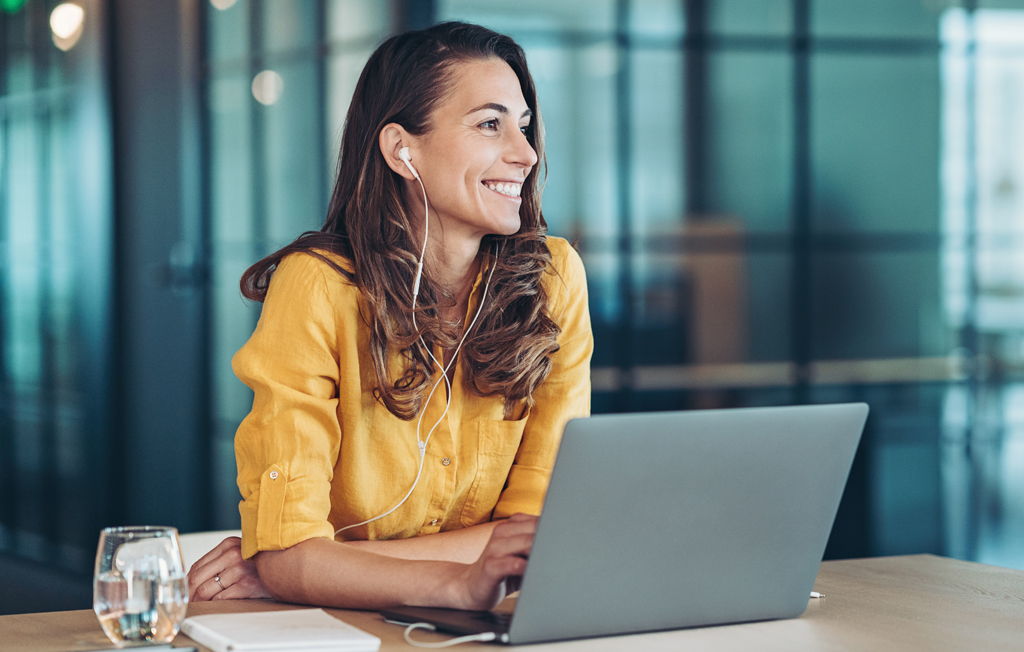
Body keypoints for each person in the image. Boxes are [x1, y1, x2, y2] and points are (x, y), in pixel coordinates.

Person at [187, 21, 592, 611]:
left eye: (524, 127)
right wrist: (454, 576)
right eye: (489, 124)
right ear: (403, 149)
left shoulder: (554, 280)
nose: (525, 154)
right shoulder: (319, 287)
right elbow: (290, 552)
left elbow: (536, 541)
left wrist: (315, 569)